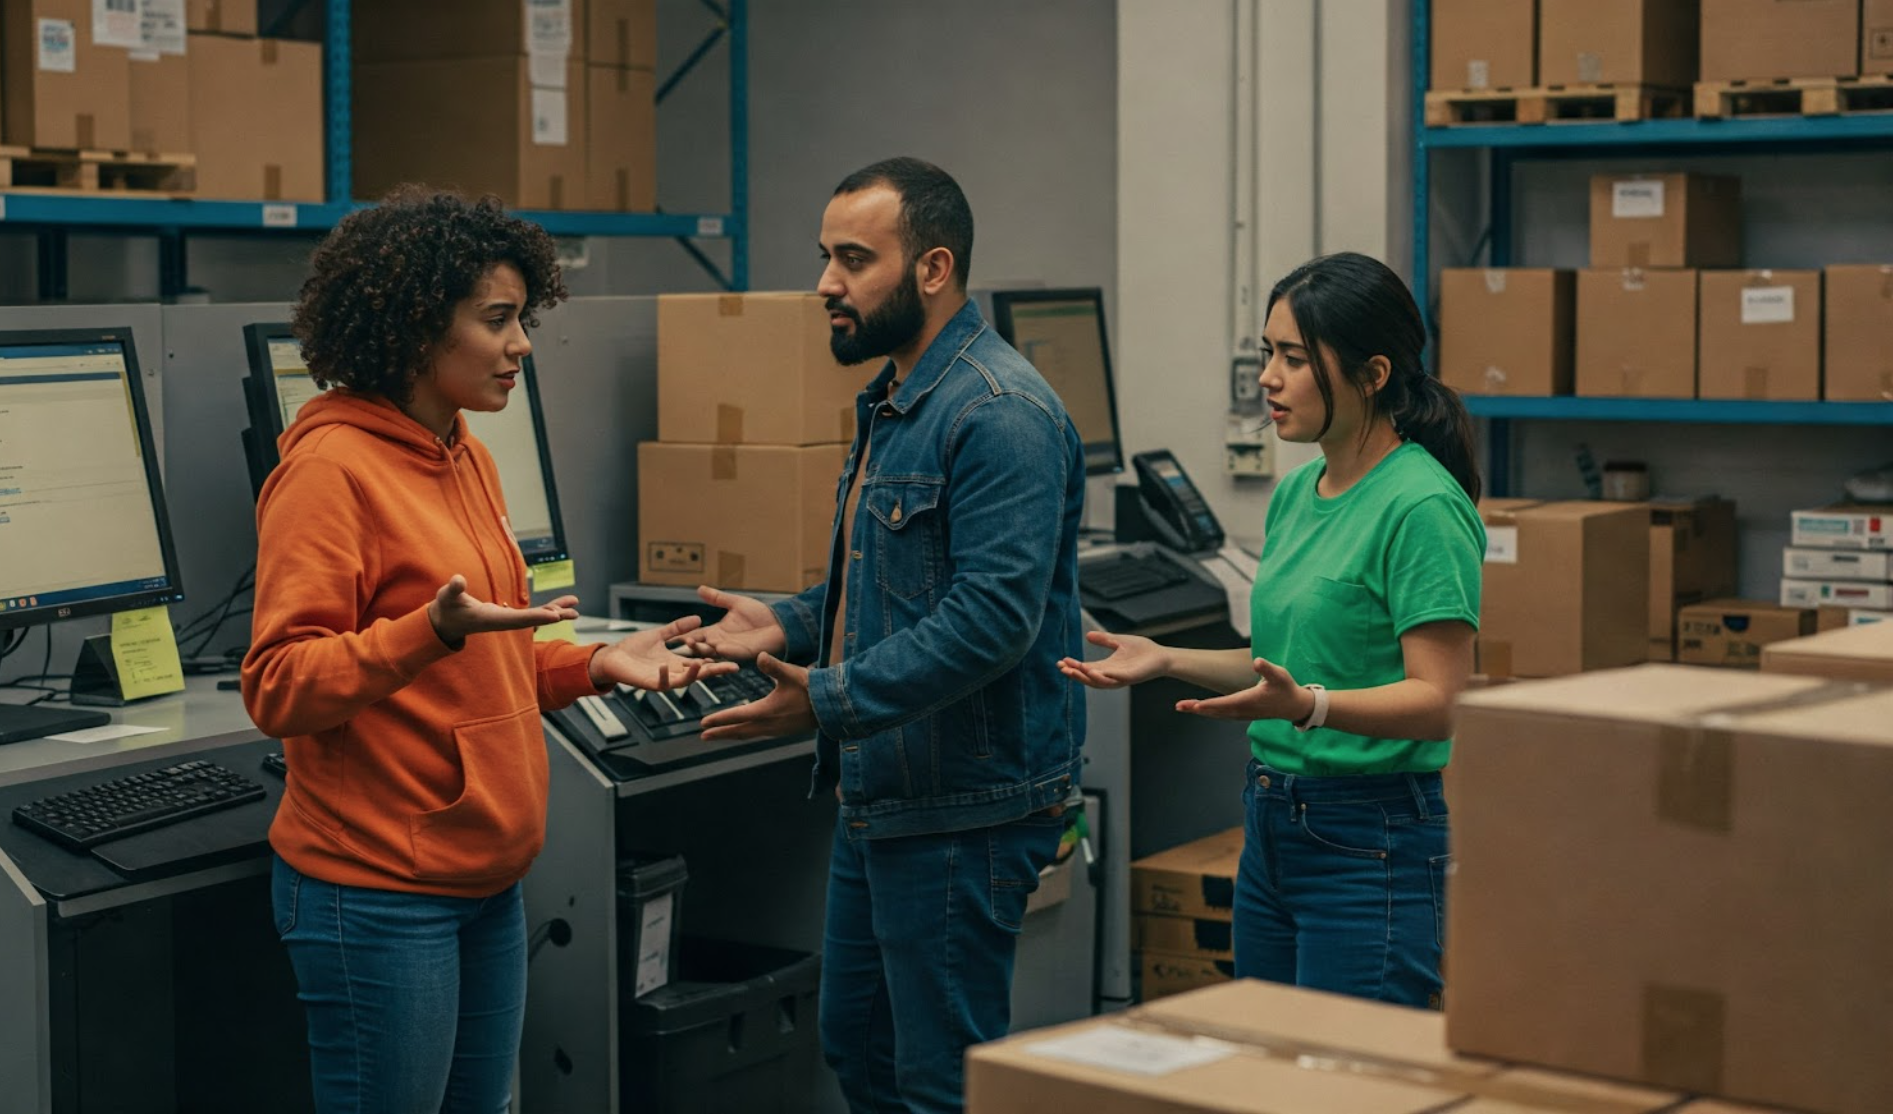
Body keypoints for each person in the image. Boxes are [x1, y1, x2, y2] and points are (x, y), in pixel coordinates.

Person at [241, 185, 732, 1112]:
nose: (522, 346)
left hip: (484, 879)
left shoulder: (465, 453)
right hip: (378, 890)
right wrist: (424, 632)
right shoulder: (327, 472)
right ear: (418, 328)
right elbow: (277, 686)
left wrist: (596, 664)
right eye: (498, 321)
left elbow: (488, 650)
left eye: (524, 318)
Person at [684, 157, 1086, 1112]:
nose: (826, 283)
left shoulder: (999, 413)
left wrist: (820, 697)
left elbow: (990, 618)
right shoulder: (901, 400)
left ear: (934, 268)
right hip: (888, 791)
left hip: (964, 809)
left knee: (933, 1080)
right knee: (860, 1054)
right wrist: (783, 620)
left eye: (854, 260)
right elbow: (892, 576)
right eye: (825, 257)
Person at [1060, 251, 1484, 1010]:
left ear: (1373, 372)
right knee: (1269, 1061)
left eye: (1294, 358)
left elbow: (1439, 699)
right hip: (1272, 824)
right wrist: (1164, 659)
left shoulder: (1421, 505)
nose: (1267, 378)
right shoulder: (1297, 492)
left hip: (1371, 837)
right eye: (1267, 353)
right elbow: (1280, 671)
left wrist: (1310, 707)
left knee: (1349, 1082)